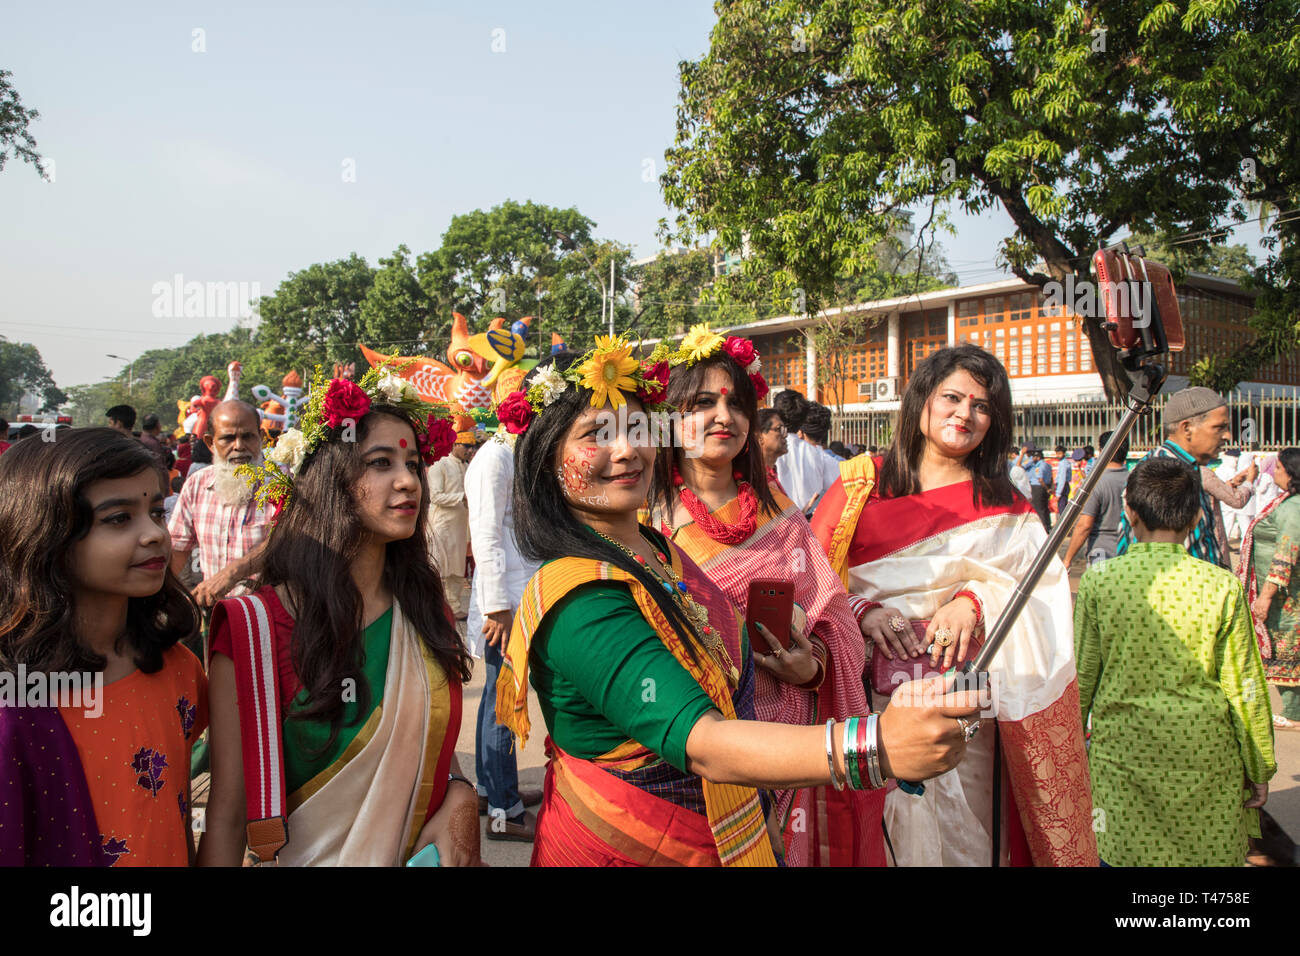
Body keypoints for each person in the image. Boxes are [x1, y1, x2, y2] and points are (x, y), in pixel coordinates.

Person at [494, 333, 980, 867]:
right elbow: (705, 742)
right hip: (646, 826)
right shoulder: (584, 596)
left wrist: (813, 664)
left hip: (756, 784)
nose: (627, 448)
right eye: (597, 435)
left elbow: (827, 608)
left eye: (636, 428)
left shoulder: (659, 554)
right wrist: (875, 746)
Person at [812, 344, 1097, 866]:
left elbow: (1041, 594)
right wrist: (863, 612)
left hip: (970, 708)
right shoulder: (861, 486)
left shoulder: (1004, 504)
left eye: (982, 405)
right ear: (922, 400)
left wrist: (974, 601)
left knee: (969, 837)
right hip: (871, 702)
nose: (965, 414)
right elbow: (811, 582)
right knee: (880, 832)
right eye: (952, 397)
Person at [199, 370, 477, 866]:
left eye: (413, 464)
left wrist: (459, 795)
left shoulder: (423, 604)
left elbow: (432, 751)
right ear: (331, 479)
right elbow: (227, 813)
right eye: (380, 463)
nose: (408, 480)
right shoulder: (254, 630)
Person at [650, 326, 886, 866]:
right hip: (690, 738)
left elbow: (831, 613)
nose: (723, 417)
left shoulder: (776, 506)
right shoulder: (644, 515)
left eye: (736, 403)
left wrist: (813, 669)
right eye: (702, 403)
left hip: (790, 743)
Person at [0, 428, 206, 866]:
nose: (154, 534)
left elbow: (173, 810)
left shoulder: (176, 665)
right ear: (45, 536)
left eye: (156, 512)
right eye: (118, 518)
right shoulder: (15, 701)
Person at [1076, 457, 1275, 866]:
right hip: (1205, 758)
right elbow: (1245, 688)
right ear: (1197, 515)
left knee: (1122, 856)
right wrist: (1259, 765)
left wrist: (1075, 750)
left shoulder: (1099, 581)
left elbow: (1082, 678)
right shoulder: (1221, 585)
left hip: (1123, 756)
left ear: (1129, 511)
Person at [465, 373, 558, 841]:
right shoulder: (492, 457)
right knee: (506, 701)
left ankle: (491, 790)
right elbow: (484, 535)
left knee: (496, 699)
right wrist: (498, 607)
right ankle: (503, 810)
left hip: (520, 596)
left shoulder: (515, 456)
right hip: (504, 605)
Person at [1116, 386, 1248, 569]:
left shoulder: (1189, 469)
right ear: (1187, 428)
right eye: (1219, 427)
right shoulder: (1160, 475)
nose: (1227, 436)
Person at [168, 400, 275, 609]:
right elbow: (177, 550)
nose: (238, 446)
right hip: (218, 616)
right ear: (210, 442)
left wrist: (233, 573)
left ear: (261, 438)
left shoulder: (283, 484)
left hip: (271, 616)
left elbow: (287, 543)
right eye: (228, 438)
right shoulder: (197, 485)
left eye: (247, 436)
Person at [1240, 447, 1300, 732]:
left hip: (1285, 596)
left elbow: (1285, 554)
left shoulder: (1292, 508)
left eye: (1278, 468)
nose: (1273, 472)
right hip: (1280, 593)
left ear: (1291, 473)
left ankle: (1294, 713)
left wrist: (1265, 596)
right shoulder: (1286, 502)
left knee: (1288, 649)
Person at [1063, 430, 1130, 568]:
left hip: (1101, 554)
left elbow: (1084, 526)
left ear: (1102, 451)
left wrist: (1068, 559)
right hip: (1128, 553)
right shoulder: (1135, 480)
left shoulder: (1095, 483)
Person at [426, 428, 474, 621]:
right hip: (442, 525)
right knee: (440, 568)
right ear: (455, 445)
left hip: (460, 525)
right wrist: (461, 497)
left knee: (456, 568)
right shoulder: (440, 464)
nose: (470, 450)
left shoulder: (466, 466)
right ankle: (437, 608)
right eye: (467, 446)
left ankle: (453, 607)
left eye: (472, 446)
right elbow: (435, 496)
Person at [773, 390, 838, 514]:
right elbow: (837, 488)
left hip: (775, 525)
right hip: (809, 523)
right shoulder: (820, 455)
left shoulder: (767, 450)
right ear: (803, 418)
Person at [756, 407, 788, 488]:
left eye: (784, 430)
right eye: (779, 429)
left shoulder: (771, 474)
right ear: (759, 436)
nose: (785, 435)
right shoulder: (754, 478)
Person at [1024, 443, 1053, 531]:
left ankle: (1043, 528)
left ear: (1038, 457)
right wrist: (1048, 488)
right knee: (1044, 508)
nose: (1032, 459)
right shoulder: (1047, 465)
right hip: (1044, 487)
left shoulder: (1039, 466)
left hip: (1038, 487)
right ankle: (1047, 526)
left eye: (1034, 457)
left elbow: (1040, 479)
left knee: (1039, 509)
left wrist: (1046, 488)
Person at [1053, 444, 1073, 516]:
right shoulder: (1064, 462)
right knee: (1063, 506)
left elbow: (1062, 479)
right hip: (1064, 486)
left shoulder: (1063, 463)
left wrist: (1058, 494)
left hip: (1063, 486)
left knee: (1062, 508)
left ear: (1063, 453)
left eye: (1059, 453)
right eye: (1057, 454)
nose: (1057, 455)